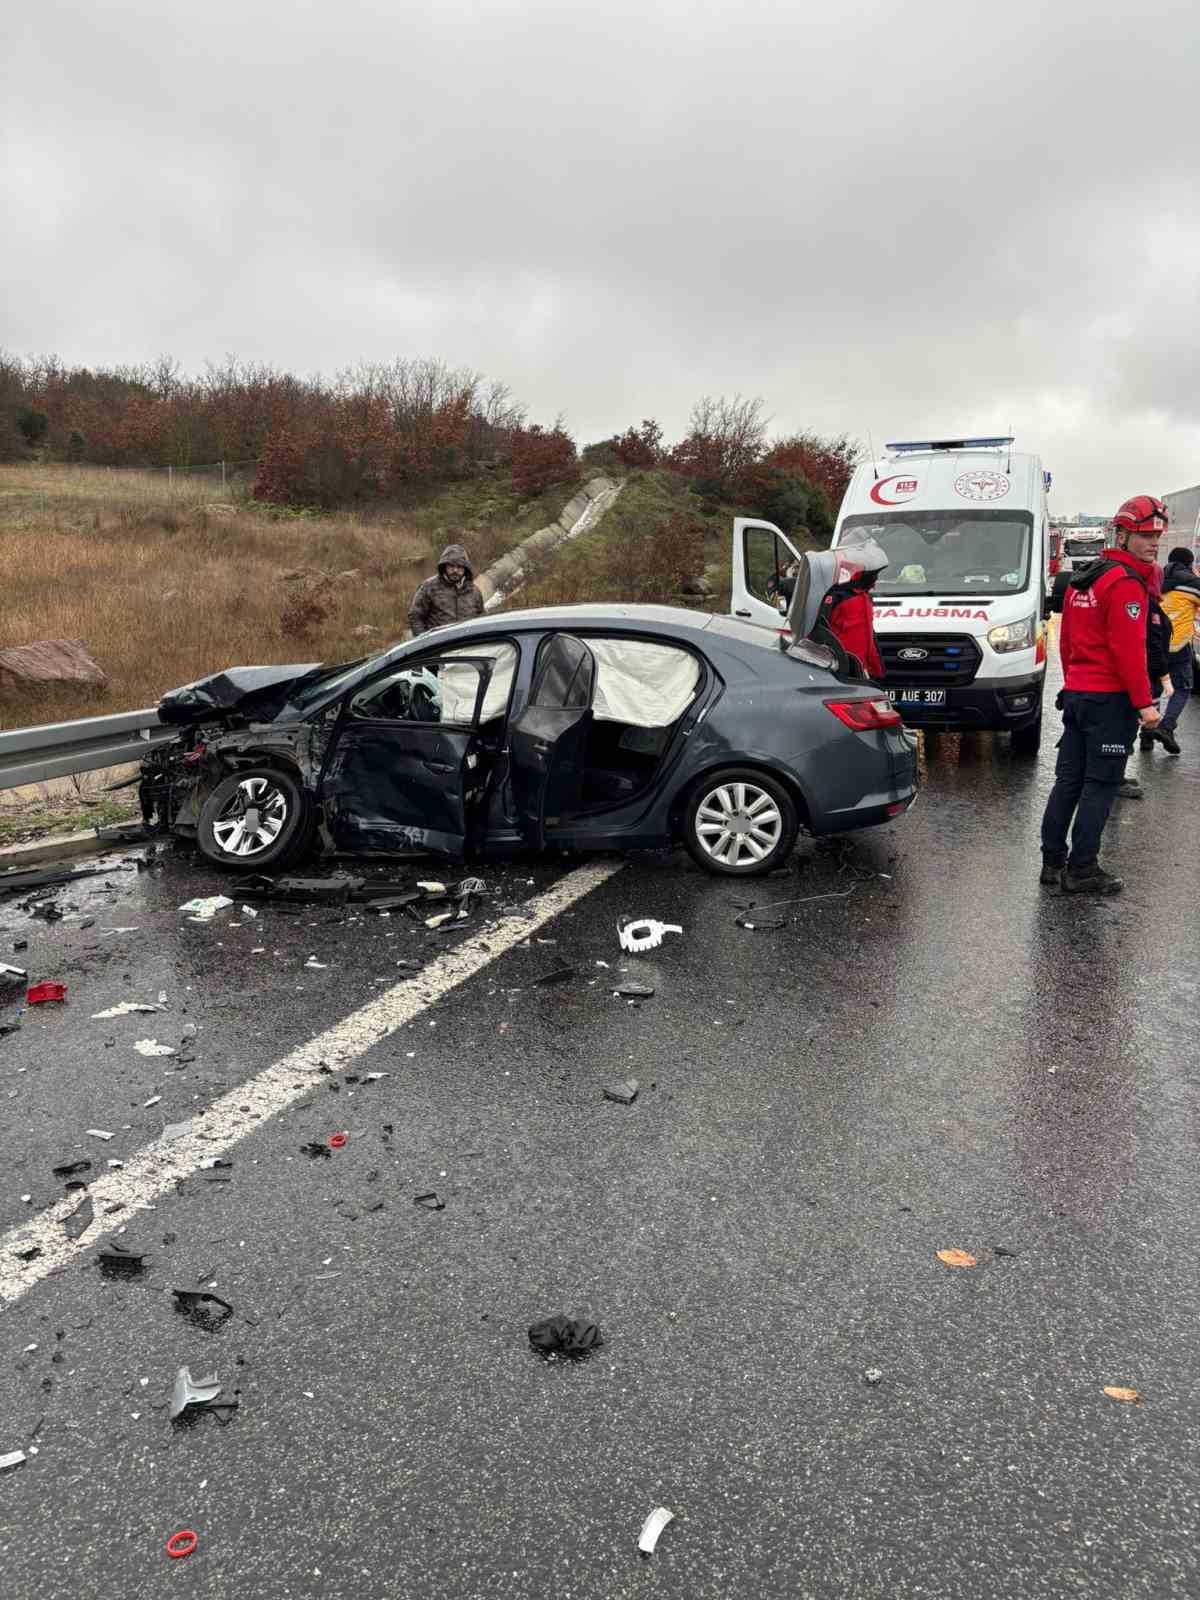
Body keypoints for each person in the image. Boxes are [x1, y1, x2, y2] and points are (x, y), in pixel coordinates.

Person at [1039, 495, 1165, 894]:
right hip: (1110, 701)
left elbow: (1068, 641)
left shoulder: (1086, 578)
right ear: (1123, 534)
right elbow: (1129, 651)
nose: (1152, 543)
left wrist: (1073, 681)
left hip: (1078, 695)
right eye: (1145, 535)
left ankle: (1052, 861)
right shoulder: (1125, 584)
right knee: (1100, 785)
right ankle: (1082, 869)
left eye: (1157, 536)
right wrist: (1145, 706)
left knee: (1068, 782)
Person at [816, 539, 887, 680]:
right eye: (874, 575)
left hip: (861, 672)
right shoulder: (836, 597)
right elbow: (820, 633)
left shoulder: (864, 597)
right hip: (839, 671)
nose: (876, 579)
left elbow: (869, 637)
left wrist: (877, 668)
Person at [1154, 546, 1200, 753]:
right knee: (1182, 688)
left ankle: (1147, 733)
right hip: (1179, 645)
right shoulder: (1194, 584)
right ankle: (1166, 726)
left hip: (1154, 643)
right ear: (1189, 563)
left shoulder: (1156, 580)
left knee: (1153, 686)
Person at [407, 543, 484, 637]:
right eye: (451, 566)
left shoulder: (474, 591)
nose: (455, 570)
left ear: (465, 569)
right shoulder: (429, 587)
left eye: (459, 567)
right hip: (439, 646)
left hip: (467, 645)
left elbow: (481, 619)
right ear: (444, 566)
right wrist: (425, 641)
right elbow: (415, 617)